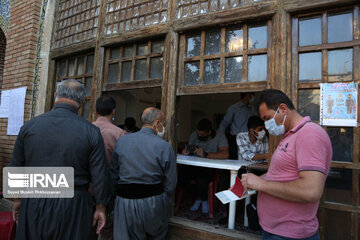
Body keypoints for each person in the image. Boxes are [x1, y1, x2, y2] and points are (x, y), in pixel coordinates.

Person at [10, 79, 107, 240]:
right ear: (82, 102)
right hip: (74, 204)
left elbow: (16, 167)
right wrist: (101, 207)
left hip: (34, 199)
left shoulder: (29, 127)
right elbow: (99, 176)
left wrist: (17, 200)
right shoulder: (91, 132)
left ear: (55, 96)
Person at [241, 89, 332, 240]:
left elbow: (311, 191)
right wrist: (253, 181)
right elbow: (280, 174)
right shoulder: (290, 135)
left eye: (267, 118)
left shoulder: (309, 134)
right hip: (274, 231)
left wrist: (261, 185)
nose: (266, 124)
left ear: (283, 109)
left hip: (290, 234)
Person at [110, 107, 177, 240]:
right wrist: (163, 201)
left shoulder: (122, 141)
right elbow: (171, 183)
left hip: (124, 202)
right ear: (157, 124)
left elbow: (113, 174)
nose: (163, 127)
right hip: (152, 203)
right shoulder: (164, 146)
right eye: (163, 123)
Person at [92, 96, 126, 240]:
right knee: (106, 228)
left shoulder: (85, 129)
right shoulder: (120, 134)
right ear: (113, 112)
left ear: (95, 111)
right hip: (109, 187)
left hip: (86, 187)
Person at [181, 118, 229, 214]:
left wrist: (206, 154)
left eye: (202, 135)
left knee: (202, 179)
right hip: (194, 165)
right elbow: (189, 148)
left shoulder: (219, 135)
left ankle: (203, 200)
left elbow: (225, 154)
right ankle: (198, 198)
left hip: (210, 167)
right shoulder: (194, 135)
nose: (199, 136)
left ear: (209, 132)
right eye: (198, 133)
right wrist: (185, 151)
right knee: (181, 178)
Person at [218, 92, 255, 159]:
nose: (253, 98)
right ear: (247, 95)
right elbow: (225, 123)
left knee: (249, 158)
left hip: (250, 139)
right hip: (235, 139)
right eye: (252, 96)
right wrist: (219, 137)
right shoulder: (233, 108)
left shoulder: (252, 110)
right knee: (235, 159)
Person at [93, 96, 126, 166]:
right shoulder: (119, 133)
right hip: (110, 174)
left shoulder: (86, 128)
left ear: (95, 111)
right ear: (113, 111)